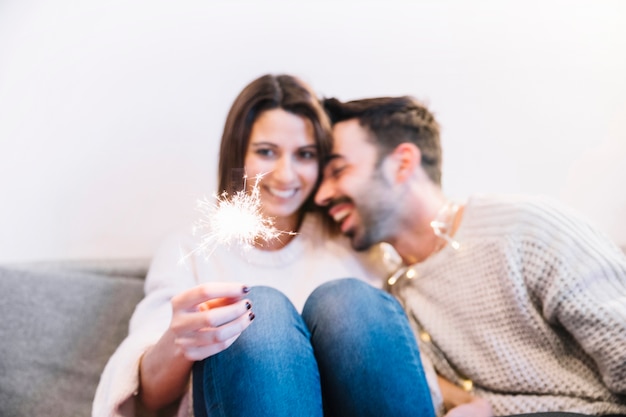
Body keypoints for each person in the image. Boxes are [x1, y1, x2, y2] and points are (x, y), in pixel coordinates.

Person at [92, 75, 440, 417]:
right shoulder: (191, 249)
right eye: (266, 152)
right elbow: (146, 400)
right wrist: (178, 343)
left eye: (304, 154)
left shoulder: (353, 243)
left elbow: (405, 366)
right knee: (258, 312)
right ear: (238, 155)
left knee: (348, 301)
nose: (285, 175)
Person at [314, 95, 626, 416]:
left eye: (338, 170)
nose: (322, 195)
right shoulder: (392, 301)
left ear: (403, 163)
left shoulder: (525, 230)